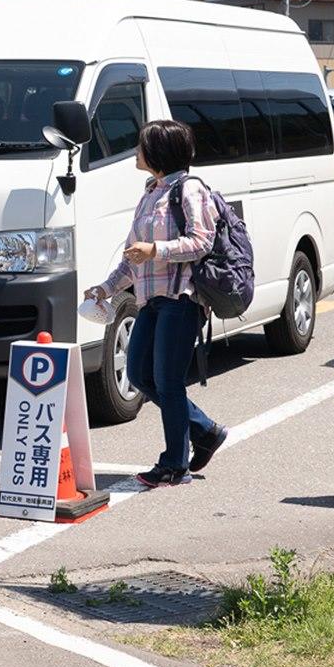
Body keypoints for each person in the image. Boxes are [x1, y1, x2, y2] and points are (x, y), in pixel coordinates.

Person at [85, 120, 229, 489]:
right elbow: (132, 256)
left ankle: (174, 464)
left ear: (159, 152)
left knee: (166, 380)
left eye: (141, 145)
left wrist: (157, 250)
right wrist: (105, 289)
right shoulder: (151, 191)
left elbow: (202, 242)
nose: (136, 151)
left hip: (181, 298)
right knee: (138, 375)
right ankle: (206, 431)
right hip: (150, 299)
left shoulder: (190, 189)